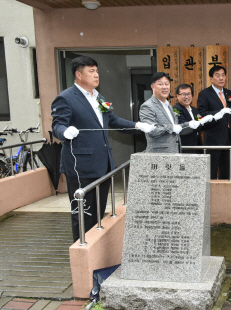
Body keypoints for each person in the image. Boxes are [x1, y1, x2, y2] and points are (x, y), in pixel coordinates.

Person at [51, 56, 154, 242]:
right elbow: (57, 125)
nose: (96, 75)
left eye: (97, 71)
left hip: (103, 164)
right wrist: (65, 131)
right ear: (78, 74)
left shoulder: (99, 97)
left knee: (98, 211)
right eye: (91, 71)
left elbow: (112, 121)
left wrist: (137, 125)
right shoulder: (66, 98)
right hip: (80, 165)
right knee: (83, 213)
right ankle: (82, 249)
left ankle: (94, 247)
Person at [140, 73, 211, 153]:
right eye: (160, 84)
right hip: (159, 154)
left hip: (174, 153)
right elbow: (151, 130)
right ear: (153, 86)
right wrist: (172, 128)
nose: (164, 87)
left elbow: (178, 128)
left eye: (166, 84)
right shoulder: (147, 106)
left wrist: (189, 125)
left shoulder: (169, 106)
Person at [197, 65, 231, 179]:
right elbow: (202, 113)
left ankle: (224, 193)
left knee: (226, 169)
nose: (221, 78)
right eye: (217, 75)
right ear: (211, 78)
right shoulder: (204, 93)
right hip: (213, 137)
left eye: (223, 75)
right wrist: (219, 112)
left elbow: (230, 112)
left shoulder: (228, 92)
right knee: (212, 169)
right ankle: (211, 193)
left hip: (227, 136)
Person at [174, 84, 213, 153]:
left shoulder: (194, 110)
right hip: (185, 147)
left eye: (189, 94)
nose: (186, 97)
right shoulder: (176, 109)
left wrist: (213, 118)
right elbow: (184, 126)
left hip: (197, 145)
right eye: (183, 94)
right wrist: (201, 122)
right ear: (177, 96)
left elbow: (202, 125)